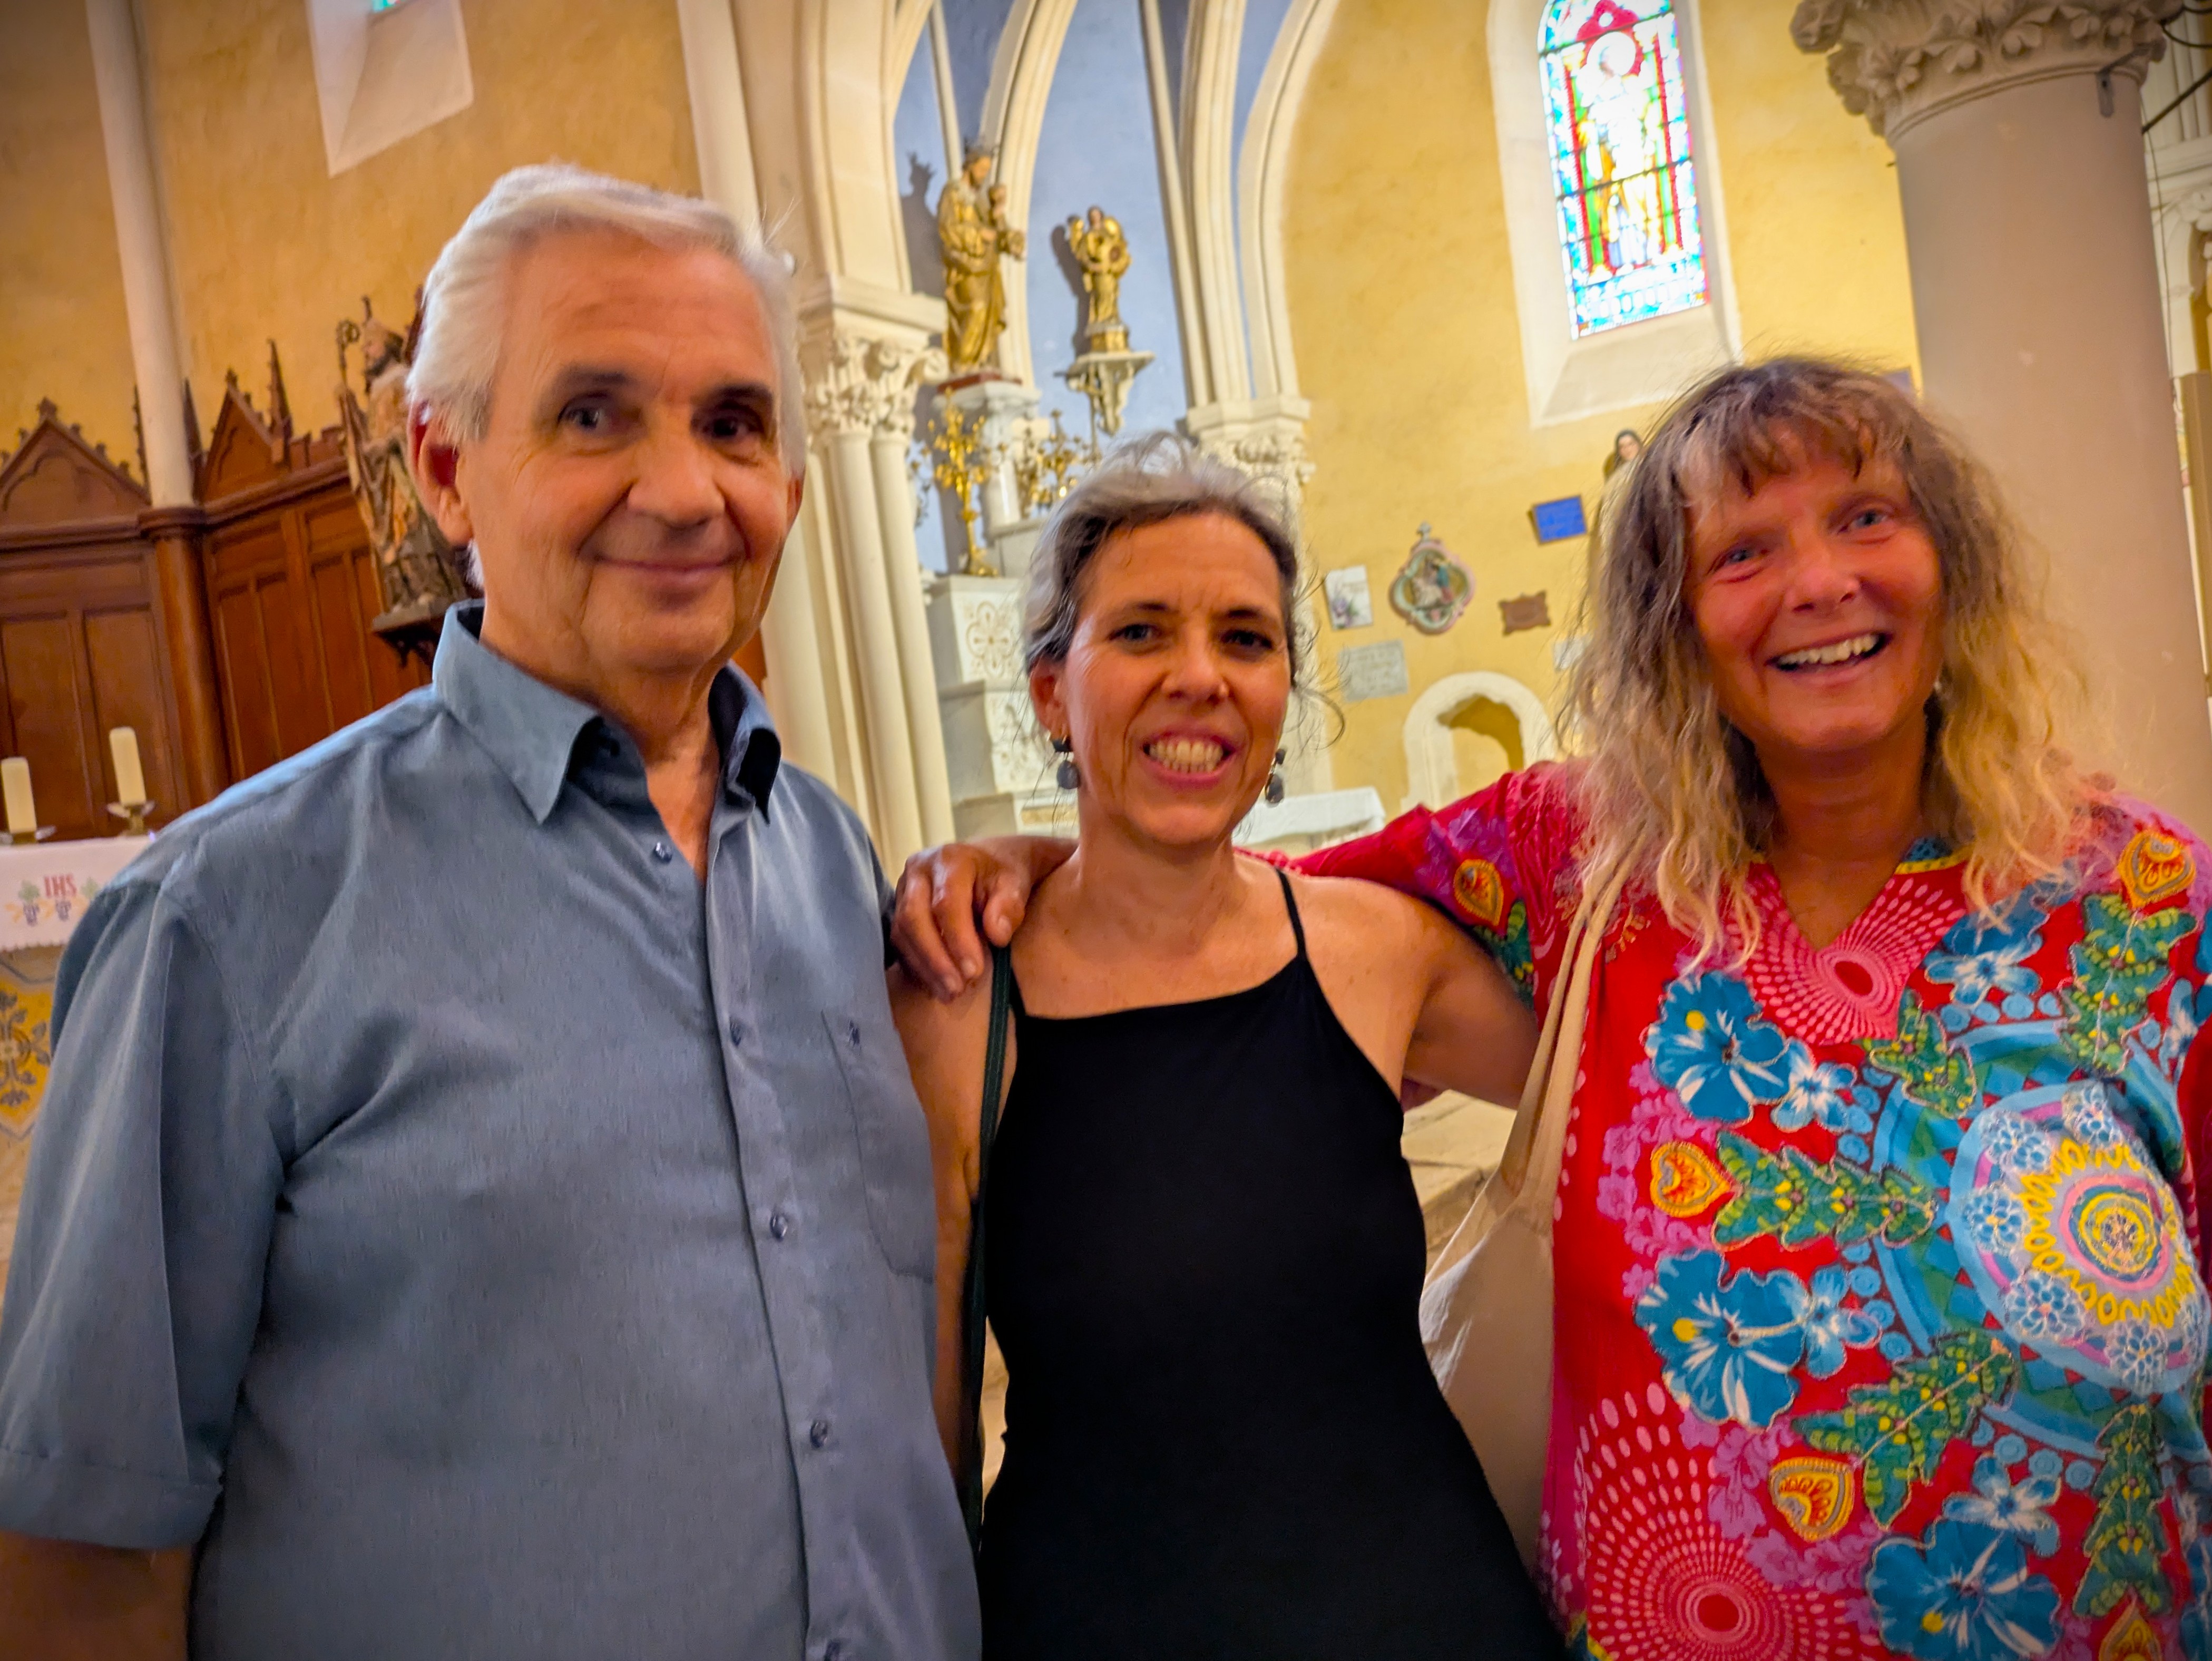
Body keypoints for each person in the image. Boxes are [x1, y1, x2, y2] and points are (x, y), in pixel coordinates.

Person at [893, 359, 2212, 1657]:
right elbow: (1199, 903)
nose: (1818, 582)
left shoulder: (2139, 896)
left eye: (1866, 518)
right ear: (1673, 623)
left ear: (1953, 570)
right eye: (1743, 550)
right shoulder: (1583, 859)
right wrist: (1024, 859)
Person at [0, 165, 976, 1661]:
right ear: (443, 469)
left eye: (733, 422)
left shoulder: (828, 857)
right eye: (592, 415)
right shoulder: (229, 919)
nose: (681, 490)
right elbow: (78, 1554)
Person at [890, 435, 1561, 1660]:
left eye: (1245, 639)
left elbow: (1621, 1085)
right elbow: (923, 1418)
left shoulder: (1376, 952)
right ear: (1050, 689)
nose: (1198, 676)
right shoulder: (955, 1002)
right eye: (1140, 631)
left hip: (1422, 1610)